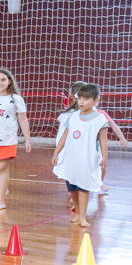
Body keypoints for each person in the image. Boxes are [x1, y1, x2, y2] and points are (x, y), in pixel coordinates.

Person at [52, 84, 108, 228]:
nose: (81, 102)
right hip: (70, 158)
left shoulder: (99, 119)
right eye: (80, 98)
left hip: (87, 159)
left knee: (83, 188)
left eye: (86, 99)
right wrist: (56, 153)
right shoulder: (72, 116)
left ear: (95, 101)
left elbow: (103, 140)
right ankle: (77, 211)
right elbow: (64, 136)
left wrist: (104, 157)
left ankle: (82, 217)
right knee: (72, 187)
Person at [0, 69, 31, 211]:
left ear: (9, 81)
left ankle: (1, 201)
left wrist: (27, 139)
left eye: (3, 80)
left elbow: (23, 120)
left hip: (7, 140)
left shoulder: (16, 99)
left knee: (3, 168)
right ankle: (4, 189)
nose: (0, 83)